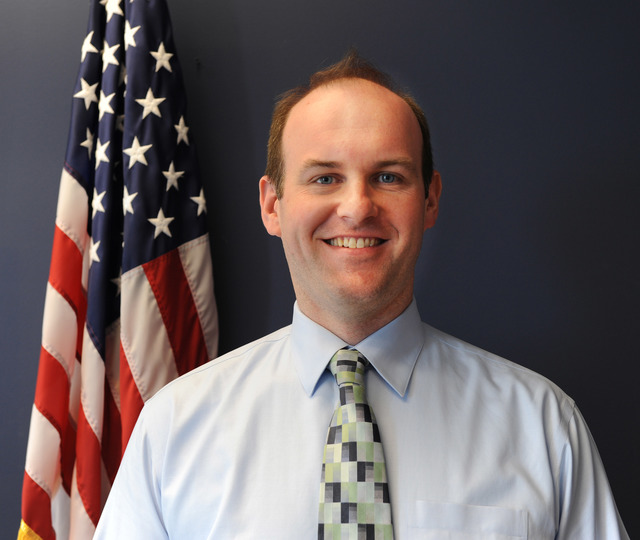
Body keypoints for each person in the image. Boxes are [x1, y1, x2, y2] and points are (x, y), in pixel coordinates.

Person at [95, 51, 628, 538]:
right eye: (325, 178)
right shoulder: (175, 426)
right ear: (272, 205)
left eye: (389, 177)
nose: (357, 207)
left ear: (430, 199)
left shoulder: (541, 424)